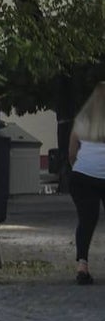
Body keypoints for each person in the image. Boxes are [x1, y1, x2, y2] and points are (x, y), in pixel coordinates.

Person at [68, 83, 105, 285]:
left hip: (82, 176)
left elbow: (72, 152)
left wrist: (79, 167)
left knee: (86, 221)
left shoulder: (82, 120)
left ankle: (82, 266)